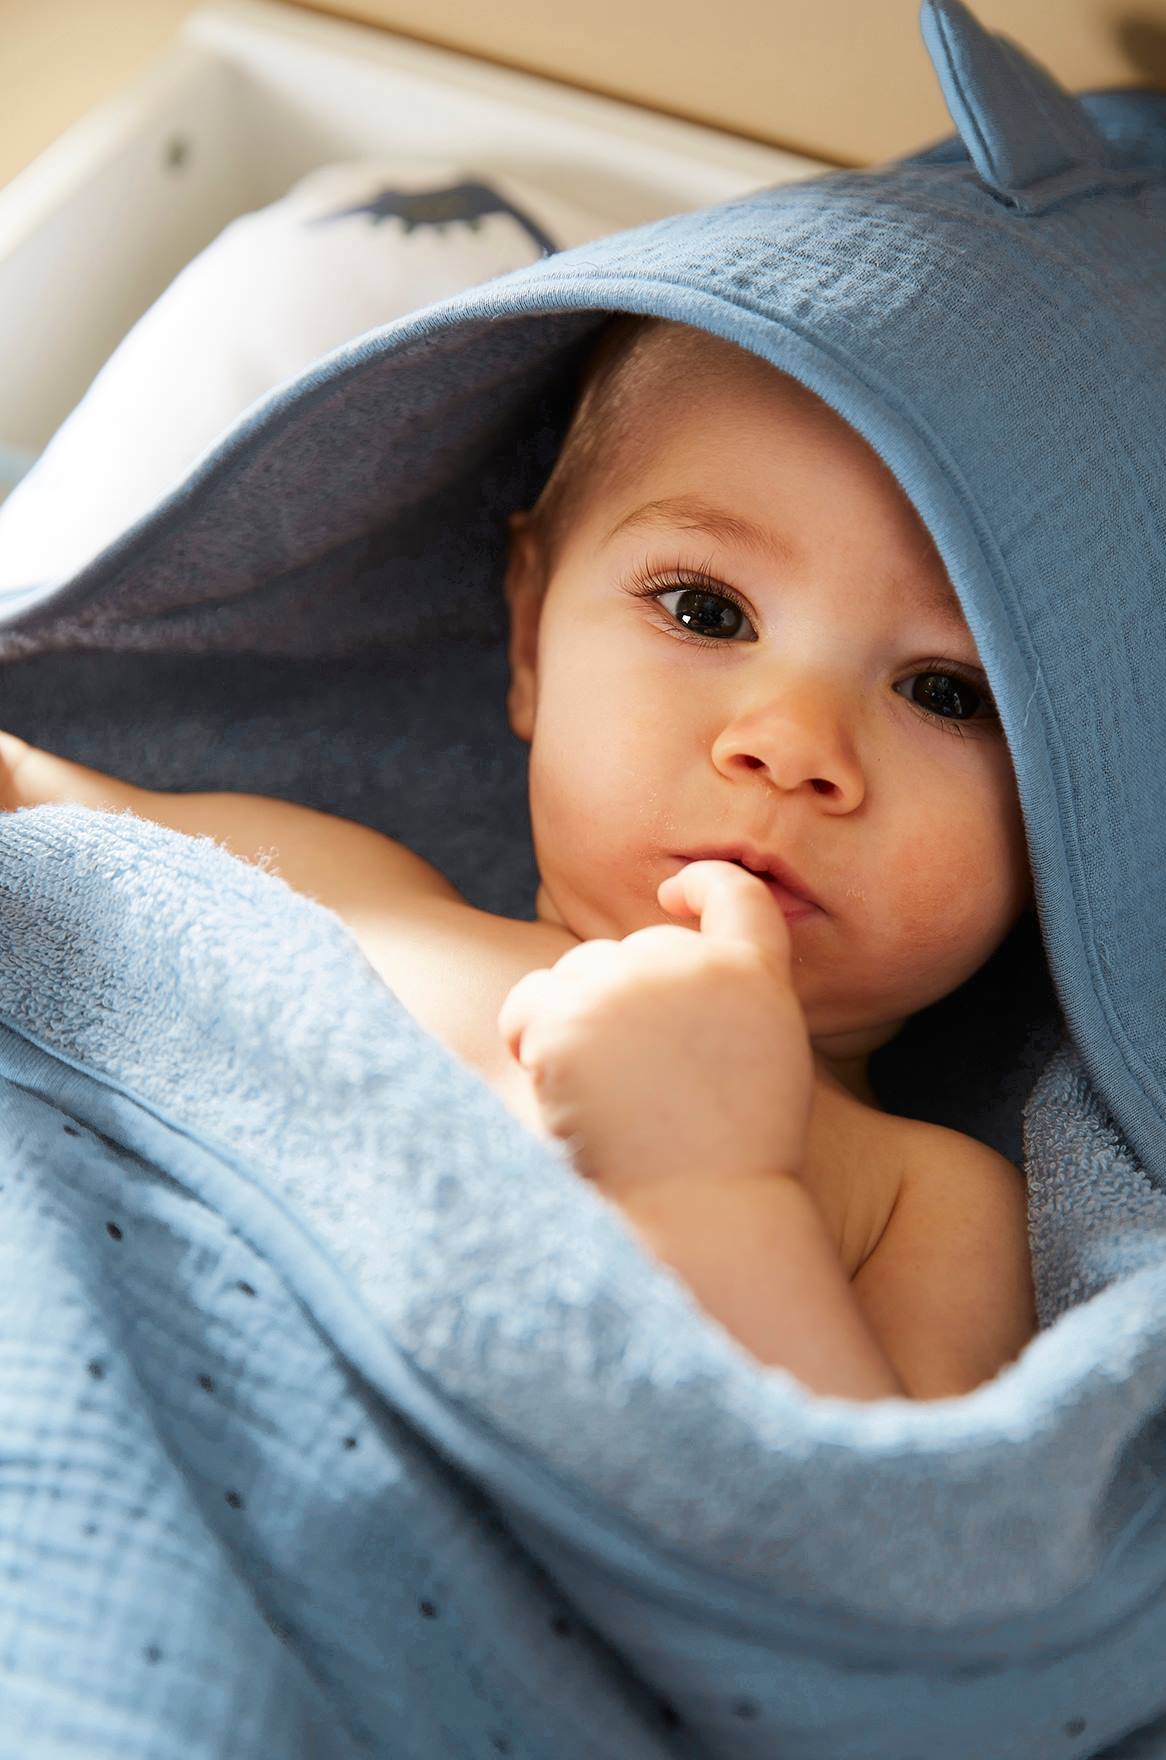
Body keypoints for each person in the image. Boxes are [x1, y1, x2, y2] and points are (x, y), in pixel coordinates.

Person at [0, 314, 1038, 1403]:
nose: (790, 745)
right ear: (534, 631)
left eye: (945, 691)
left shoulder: (926, 1200)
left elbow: (887, 1529)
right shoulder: (345, 885)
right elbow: (32, 804)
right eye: (706, 608)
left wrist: (713, 1187)